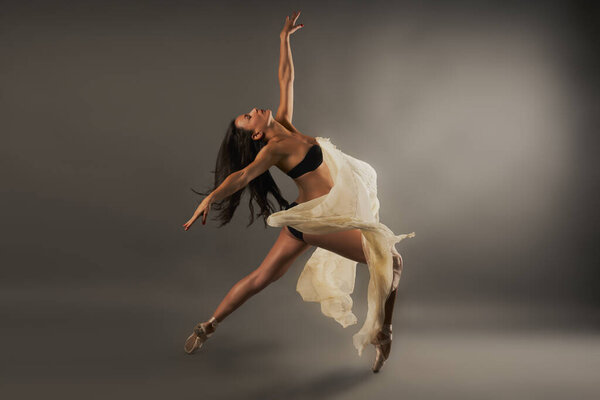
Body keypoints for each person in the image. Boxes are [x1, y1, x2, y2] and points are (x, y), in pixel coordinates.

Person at [182, 10, 415, 373]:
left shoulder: (286, 127)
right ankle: (384, 333)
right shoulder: (273, 150)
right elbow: (242, 177)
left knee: (264, 276)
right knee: (392, 260)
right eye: (248, 117)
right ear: (256, 134)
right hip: (315, 222)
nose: (253, 110)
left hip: (306, 215)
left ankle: (207, 326)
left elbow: (286, 77)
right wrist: (210, 198)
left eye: (247, 113)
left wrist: (283, 38)